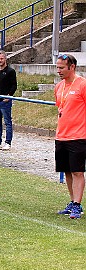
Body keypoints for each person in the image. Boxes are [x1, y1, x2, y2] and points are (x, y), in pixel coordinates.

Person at [55, 54, 86, 219]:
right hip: (61, 136)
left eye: (61, 67)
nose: (58, 70)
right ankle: (73, 201)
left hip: (78, 136)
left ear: (71, 67)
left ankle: (77, 205)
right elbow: (60, 108)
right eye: (57, 67)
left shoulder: (82, 84)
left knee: (77, 172)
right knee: (66, 170)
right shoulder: (59, 87)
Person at [0, 50, 17, 150]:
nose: (0, 61)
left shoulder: (10, 71)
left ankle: (8, 142)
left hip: (5, 101)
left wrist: (9, 96)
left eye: (1, 59)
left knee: (7, 121)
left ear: (5, 58)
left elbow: (14, 85)